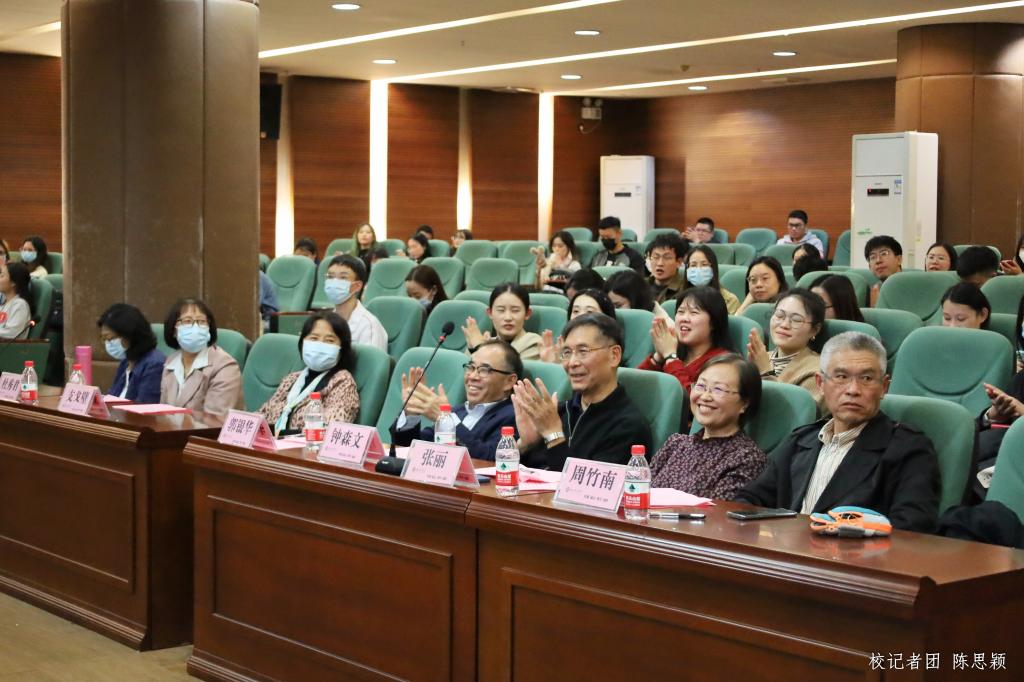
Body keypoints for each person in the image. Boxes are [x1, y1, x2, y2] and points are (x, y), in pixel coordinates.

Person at [735, 332, 941, 533]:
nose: (853, 390)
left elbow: (910, 531)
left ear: (884, 387)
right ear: (820, 384)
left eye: (867, 378)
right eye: (841, 377)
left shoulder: (908, 449)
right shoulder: (801, 440)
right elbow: (750, 500)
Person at [513, 313, 653, 470]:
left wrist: (553, 434)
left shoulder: (629, 427)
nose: (572, 363)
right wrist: (525, 445)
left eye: (583, 351)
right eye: (567, 352)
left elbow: (587, 484)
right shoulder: (558, 412)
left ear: (614, 355)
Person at [650, 354, 766, 499]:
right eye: (701, 386)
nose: (705, 396)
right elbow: (639, 492)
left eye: (718, 390)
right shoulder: (676, 444)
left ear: (744, 403)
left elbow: (720, 510)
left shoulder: (747, 459)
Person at [391, 339, 520, 460]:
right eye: (471, 367)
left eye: (484, 370)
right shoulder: (459, 411)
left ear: (509, 381)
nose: (473, 376)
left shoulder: (515, 417)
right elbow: (412, 447)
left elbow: (491, 457)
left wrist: (448, 421)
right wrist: (411, 414)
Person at [259, 311, 359, 436]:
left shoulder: (343, 382)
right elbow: (261, 416)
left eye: (329, 340)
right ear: (302, 343)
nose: (320, 345)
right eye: (314, 338)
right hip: (269, 444)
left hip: (305, 447)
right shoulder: (291, 379)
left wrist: (278, 434)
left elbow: (328, 431)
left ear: (342, 348)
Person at [160, 298, 244, 423]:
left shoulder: (225, 366)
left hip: (207, 434)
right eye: (187, 321)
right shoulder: (170, 363)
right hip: (171, 432)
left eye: (201, 321)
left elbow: (215, 421)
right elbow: (162, 413)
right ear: (174, 330)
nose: (195, 327)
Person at [638, 286, 731, 393]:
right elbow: (634, 387)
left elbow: (694, 398)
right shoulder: (674, 349)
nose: (684, 319)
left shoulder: (723, 363)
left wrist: (670, 357)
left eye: (694, 312)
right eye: (681, 312)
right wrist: (658, 357)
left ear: (714, 322)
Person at [747, 288, 825, 413]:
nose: (784, 325)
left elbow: (802, 417)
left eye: (796, 320)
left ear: (815, 329)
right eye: (779, 316)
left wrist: (766, 373)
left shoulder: (818, 370)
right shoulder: (759, 357)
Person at [98, 303, 165, 403]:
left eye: (109, 338)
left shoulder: (154, 364)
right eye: (104, 339)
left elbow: (144, 407)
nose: (107, 344)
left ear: (129, 334)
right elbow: (111, 398)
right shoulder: (125, 363)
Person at [323, 255, 387, 351]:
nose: (334, 282)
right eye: (330, 277)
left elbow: (370, 360)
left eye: (343, 277)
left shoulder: (368, 325)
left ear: (357, 286)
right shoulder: (325, 321)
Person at [463, 283, 542, 360]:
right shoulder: (488, 343)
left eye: (515, 310)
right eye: (501, 310)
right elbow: (465, 368)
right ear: (490, 313)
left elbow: (504, 367)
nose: (508, 318)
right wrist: (472, 348)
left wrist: (479, 348)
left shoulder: (534, 343)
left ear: (527, 314)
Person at [538, 288, 616, 363]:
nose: (580, 316)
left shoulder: (610, 352)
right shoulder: (560, 350)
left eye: (589, 312)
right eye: (576, 311)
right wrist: (554, 363)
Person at [681, 244, 740, 314]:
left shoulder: (729, 300)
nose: (698, 269)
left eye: (704, 264)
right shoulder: (681, 298)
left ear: (713, 269)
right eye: (693, 265)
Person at [645, 233, 687, 304]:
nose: (660, 263)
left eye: (667, 258)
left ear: (679, 262)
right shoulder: (640, 285)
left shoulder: (685, 290)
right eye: (656, 257)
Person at [864, 235, 903, 306]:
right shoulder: (871, 292)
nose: (878, 260)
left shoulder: (912, 287)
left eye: (884, 254)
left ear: (899, 259)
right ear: (869, 267)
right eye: (873, 257)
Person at [0, 262, 33, 339]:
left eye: (2, 276)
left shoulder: (20, 305)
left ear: (13, 283)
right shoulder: (4, 303)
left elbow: (12, 333)